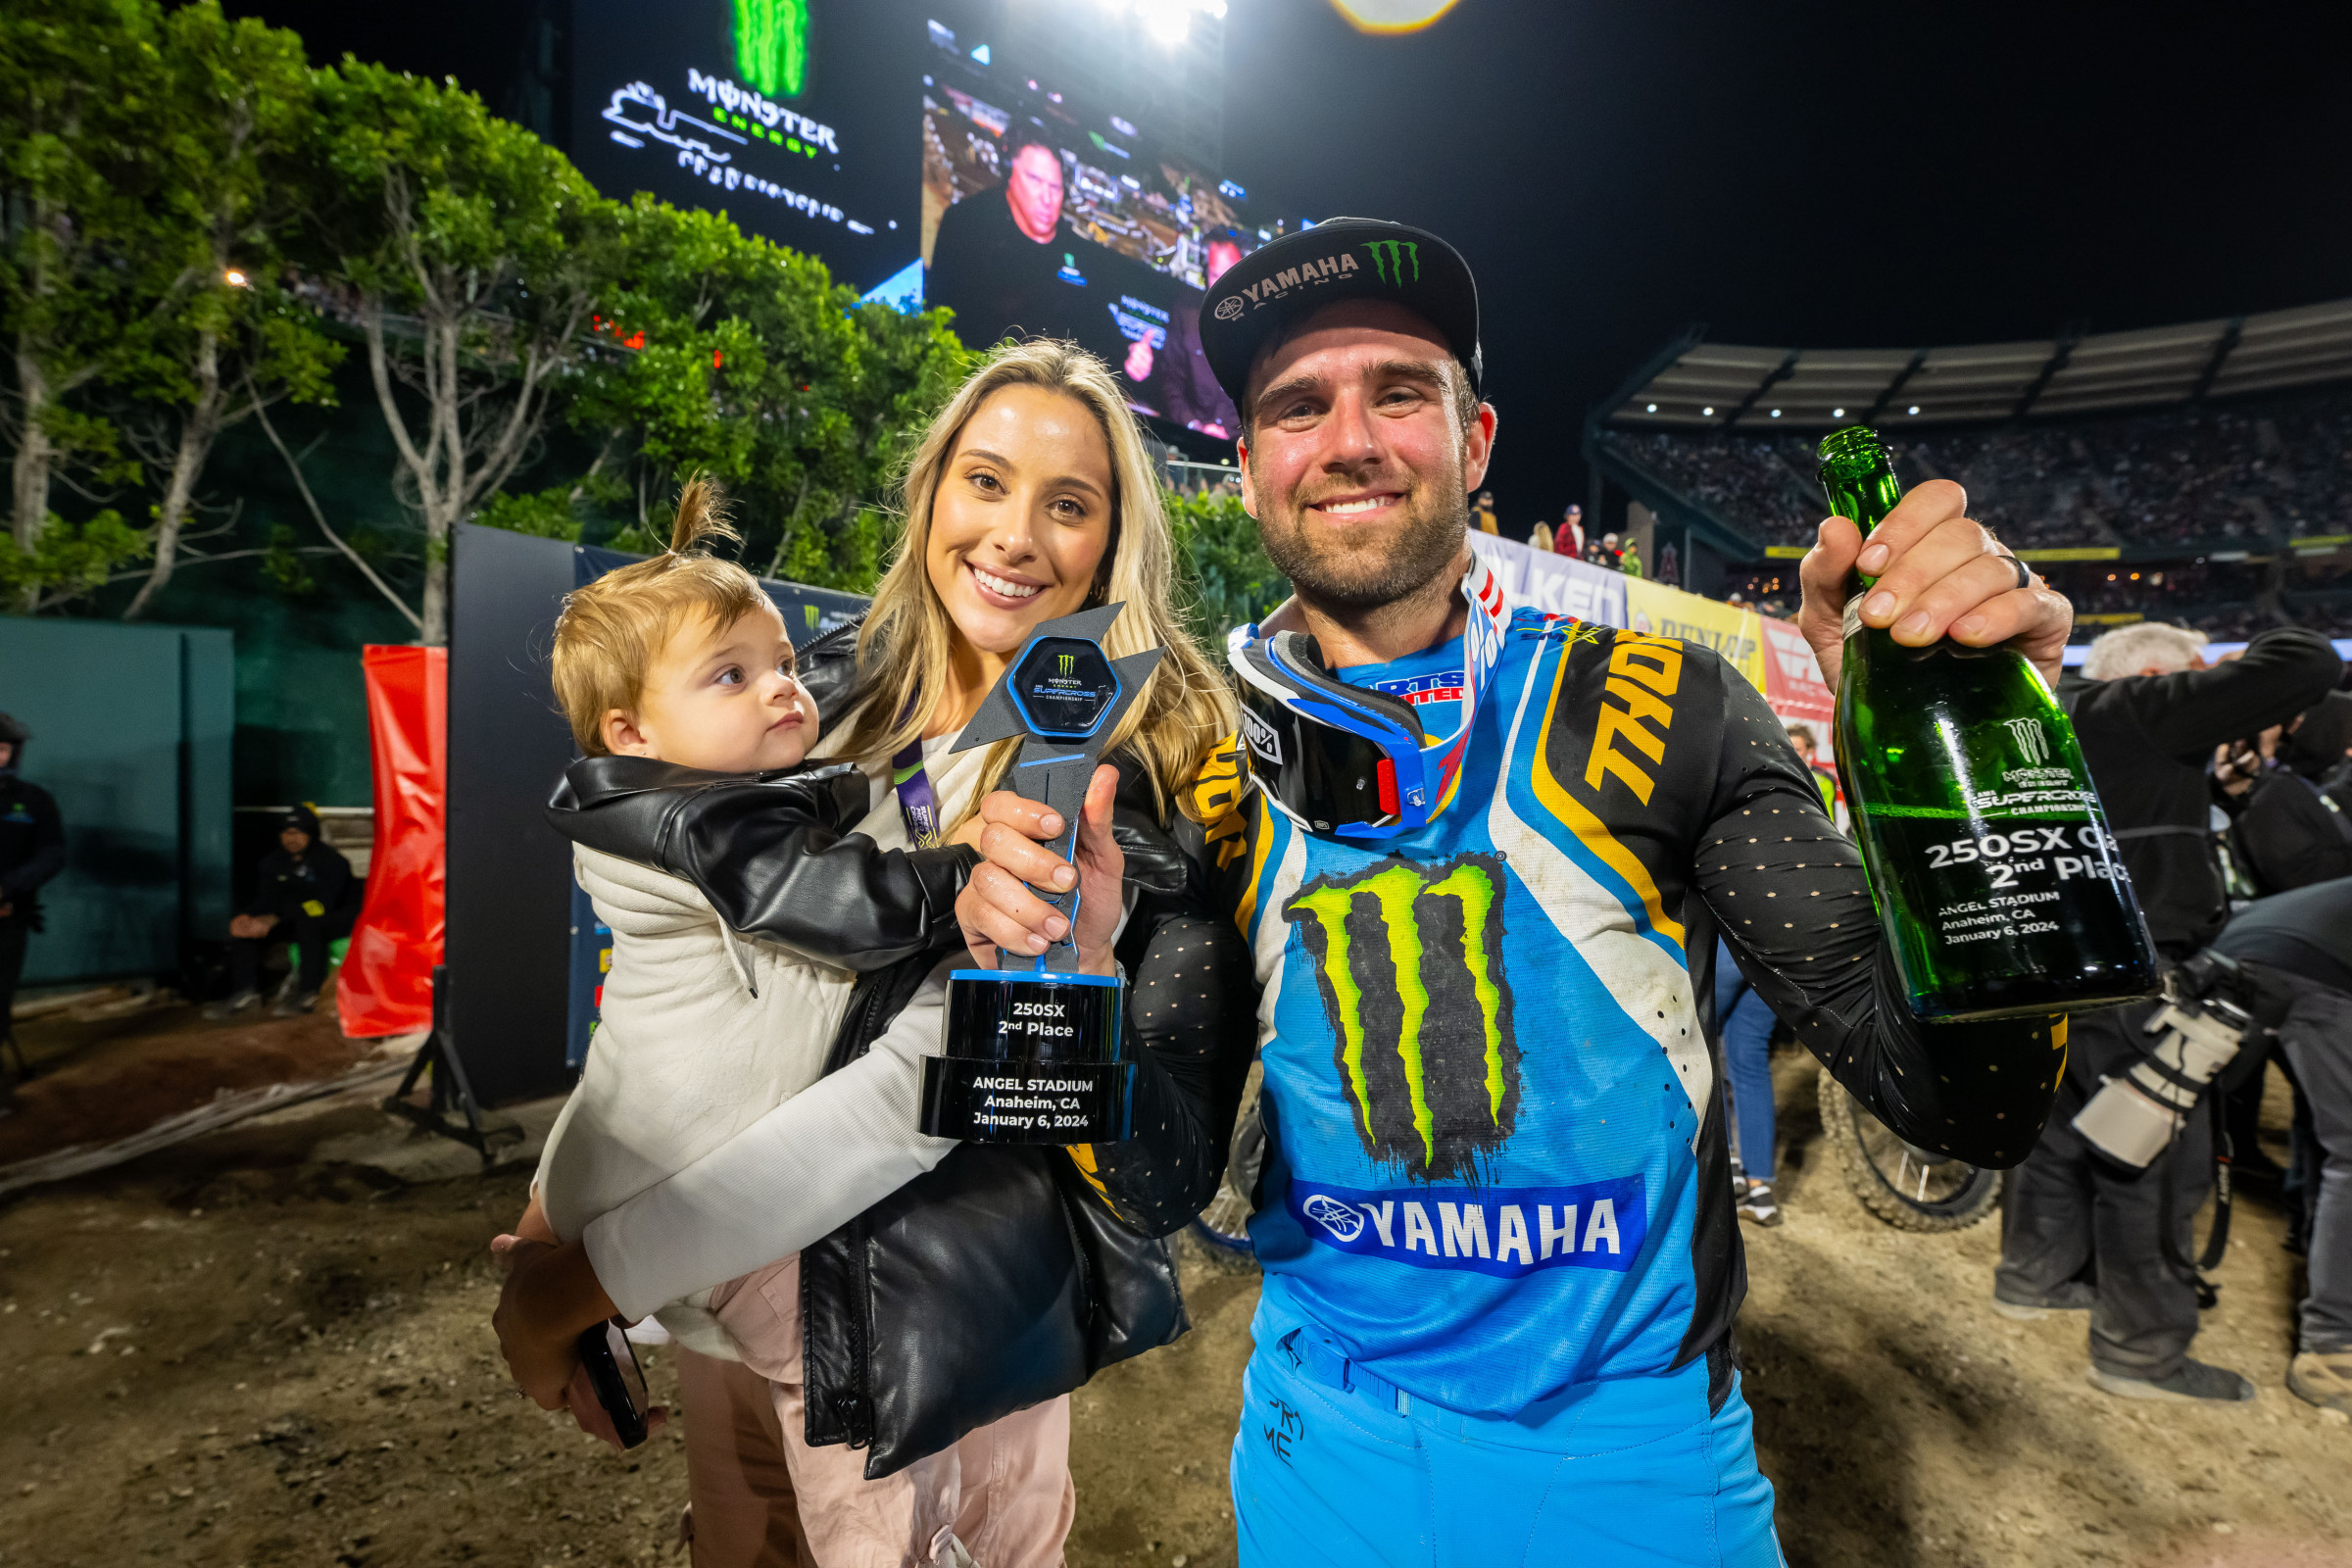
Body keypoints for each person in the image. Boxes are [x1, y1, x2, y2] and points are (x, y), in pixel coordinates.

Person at [959, 218, 2077, 1566]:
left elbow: (1973, 1103)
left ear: (1477, 442)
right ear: (1249, 470)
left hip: (1640, 1468)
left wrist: (1979, 809)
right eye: (1298, 408)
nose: (1351, 438)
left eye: (1400, 393)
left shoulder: (1673, 709)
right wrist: (1069, 983)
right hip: (1326, 1454)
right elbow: (1158, 1183)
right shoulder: (1200, 775)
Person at [493, 341, 1251, 1566]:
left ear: (1114, 545)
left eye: (1068, 504)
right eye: (986, 480)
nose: (1012, 534)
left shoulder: (1138, 784)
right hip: (727, 1313)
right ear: (931, 490)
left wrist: (584, 1280)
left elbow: (1143, 1169)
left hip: (926, 1369)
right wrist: (557, 1215)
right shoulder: (820, 692)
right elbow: (680, 983)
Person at [1996, 619, 2341, 1401]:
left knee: (2057, 1140)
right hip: (2143, 979)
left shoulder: (2049, 720)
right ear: (2157, 675)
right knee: (2151, 1164)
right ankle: (2140, 1353)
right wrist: (2230, 665)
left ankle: (2034, 1277)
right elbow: (2309, 661)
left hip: (2057, 973)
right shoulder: (2142, 709)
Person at [2207, 876, 2352, 1415]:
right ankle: (2334, 1347)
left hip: (2245, 944)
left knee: (2326, 1118)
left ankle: (2305, 1230)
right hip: (2307, 969)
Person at [207, 804, 358, 1018]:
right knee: (245, 932)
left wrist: (276, 918)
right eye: (287, 832)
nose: (291, 838)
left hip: (334, 917)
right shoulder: (272, 863)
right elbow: (265, 901)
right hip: (290, 917)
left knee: (309, 925)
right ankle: (245, 993)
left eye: (298, 833)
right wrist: (246, 917)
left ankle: (309, 992)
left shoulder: (332, 862)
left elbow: (322, 905)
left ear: (311, 834)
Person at [0, 712, 66, 1103]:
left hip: (10, 918)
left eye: (3, 748)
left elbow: (53, 853)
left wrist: (8, 887)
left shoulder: (34, 800)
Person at [1713, 939, 1784, 1226]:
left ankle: (1727, 1164)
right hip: (1775, 954)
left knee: (1699, 1042)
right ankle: (1760, 1193)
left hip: (1726, 946)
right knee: (1750, 1057)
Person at [1784, 722, 1839, 817]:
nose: (1792, 753)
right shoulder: (1777, 775)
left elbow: (1829, 819)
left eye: (1797, 749)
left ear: (1809, 749)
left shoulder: (1825, 780)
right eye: (1788, 748)